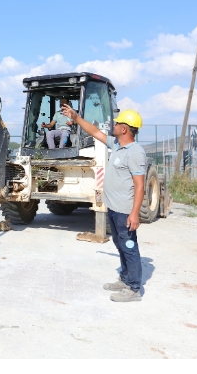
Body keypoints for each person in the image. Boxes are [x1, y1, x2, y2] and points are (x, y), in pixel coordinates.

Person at [61, 104, 146, 302]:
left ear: (125, 129)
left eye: (117, 124)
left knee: (129, 246)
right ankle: (125, 279)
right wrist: (77, 118)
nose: (114, 126)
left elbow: (140, 186)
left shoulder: (135, 152)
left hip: (125, 211)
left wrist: (134, 214)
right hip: (114, 208)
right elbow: (96, 132)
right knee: (120, 243)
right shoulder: (118, 146)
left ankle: (134, 288)